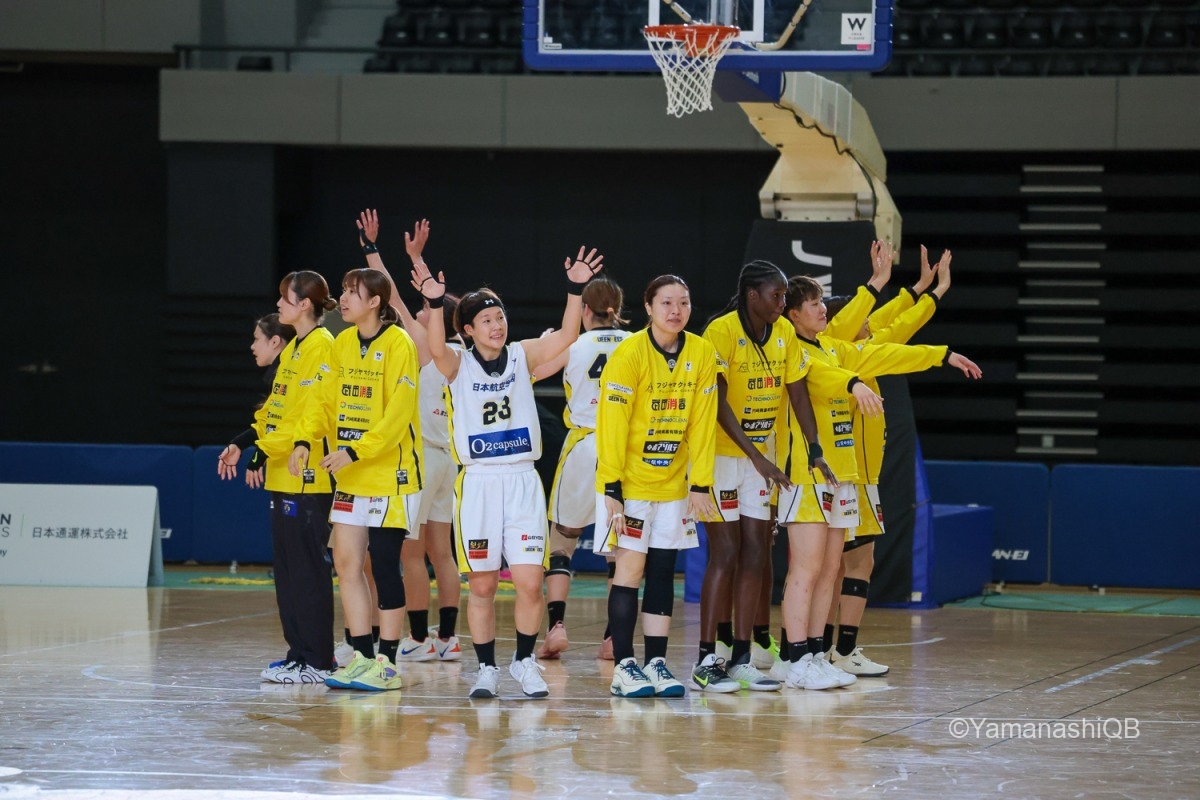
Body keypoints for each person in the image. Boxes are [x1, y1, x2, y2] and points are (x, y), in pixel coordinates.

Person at [412, 245, 604, 699]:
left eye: (500, 317)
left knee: (530, 582)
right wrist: (435, 303)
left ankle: (523, 661)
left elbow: (567, 335)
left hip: (521, 480)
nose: (497, 325)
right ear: (468, 330)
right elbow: (435, 347)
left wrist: (575, 289)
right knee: (481, 584)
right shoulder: (456, 364)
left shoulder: (522, 355)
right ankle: (486, 669)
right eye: (486, 320)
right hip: (478, 482)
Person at [775, 273, 979, 691]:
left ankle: (817, 655)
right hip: (807, 473)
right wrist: (852, 382)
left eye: (822, 303)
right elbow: (821, 375)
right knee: (807, 569)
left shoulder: (835, 348)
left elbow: (884, 352)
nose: (821, 310)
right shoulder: (793, 351)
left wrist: (941, 355)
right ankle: (792, 657)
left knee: (830, 570)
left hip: (843, 475)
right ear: (793, 315)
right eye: (814, 304)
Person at [697, 260, 874, 692]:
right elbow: (718, 405)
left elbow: (798, 394)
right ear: (752, 295)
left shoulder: (783, 335)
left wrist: (814, 449)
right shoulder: (721, 331)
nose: (781, 302)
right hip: (721, 456)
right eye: (775, 295)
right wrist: (756, 457)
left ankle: (743, 657)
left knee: (757, 554)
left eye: (783, 296)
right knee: (726, 554)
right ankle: (707, 658)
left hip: (763, 459)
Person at [823, 245, 957, 677]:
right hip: (843, 478)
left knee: (850, 565)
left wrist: (926, 290)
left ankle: (836, 651)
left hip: (861, 479)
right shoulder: (839, 356)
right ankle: (827, 651)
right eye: (863, 320)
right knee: (840, 566)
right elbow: (892, 327)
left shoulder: (860, 348)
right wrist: (924, 294)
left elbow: (895, 323)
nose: (871, 324)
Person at [288, 268, 423, 692]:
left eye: (352, 292)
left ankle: (388, 662)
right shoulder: (342, 342)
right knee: (346, 564)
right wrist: (305, 439)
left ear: (375, 302)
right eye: (344, 291)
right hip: (350, 476)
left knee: (384, 564)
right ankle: (362, 657)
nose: (343, 299)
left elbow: (399, 413)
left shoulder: (399, 343)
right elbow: (323, 401)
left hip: (390, 477)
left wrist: (355, 450)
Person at [593, 274, 721, 698]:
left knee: (665, 572)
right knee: (630, 570)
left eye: (683, 302)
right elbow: (611, 423)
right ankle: (624, 666)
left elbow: (703, 423)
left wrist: (701, 483)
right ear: (648, 307)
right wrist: (612, 486)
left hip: (674, 484)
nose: (676, 310)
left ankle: (657, 663)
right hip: (629, 484)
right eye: (666, 302)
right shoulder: (629, 354)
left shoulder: (701, 352)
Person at [357, 212, 464, 663]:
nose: (420, 312)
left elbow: (392, 296)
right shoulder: (463, 355)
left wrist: (371, 249)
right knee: (443, 554)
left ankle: (418, 637)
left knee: (411, 555)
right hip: (450, 460)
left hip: (421, 458)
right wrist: (417, 257)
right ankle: (448, 638)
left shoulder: (425, 346)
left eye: (427, 310)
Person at [219, 289, 340, 686]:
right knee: (287, 573)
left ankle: (319, 660)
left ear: (304, 304)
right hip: (282, 474)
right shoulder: (294, 351)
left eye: (285, 299)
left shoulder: (323, 345)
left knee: (308, 571)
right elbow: (275, 410)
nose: (279, 306)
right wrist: (243, 442)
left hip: (309, 475)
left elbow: (310, 415)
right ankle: (298, 655)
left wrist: (266, 447)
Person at [532, 277, 631, 660]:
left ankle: (557, 626)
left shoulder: (573, 343)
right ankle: (612, 637)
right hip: (623, 450)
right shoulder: (637, 342)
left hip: (582, 445)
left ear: (585, 309)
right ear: (618, 309)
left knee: (562, 540)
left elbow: (534, 371)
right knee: (619, 550)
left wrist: (547, 342)